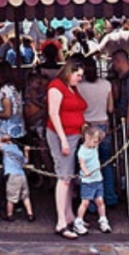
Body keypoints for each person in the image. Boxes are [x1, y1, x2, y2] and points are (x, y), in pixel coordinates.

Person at [47, 55, 88, 239]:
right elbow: (53, 114)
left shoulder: (72, 88)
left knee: (68, 177)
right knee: (63, 177)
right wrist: (63, 140)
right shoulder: (56, 86)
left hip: (74, 134)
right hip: (61, 134)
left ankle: (69, 214)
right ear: (70, 72)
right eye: (78, 75)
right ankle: (61, 221)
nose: (80, 78)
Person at [76, 55, 116, 207]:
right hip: (103, 125)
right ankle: (110, 197)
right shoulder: (106, 84)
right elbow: (110, 108)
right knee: (105, 163)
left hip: (87, 126)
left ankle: (91, 202)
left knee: (88, 165)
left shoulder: (79, 86)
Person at [76, 125, 111, 233]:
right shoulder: (82, 151)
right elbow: (81, 164)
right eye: (95, 142)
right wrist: (85, 171)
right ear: (87, 137)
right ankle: (78, 221)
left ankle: (103, 219)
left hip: (97, 179)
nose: (96, 144)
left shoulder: (94, 146)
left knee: (100, 201)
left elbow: (101, 136)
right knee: (85, 202)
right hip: (87, 181)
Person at [0, 134, 34, 222]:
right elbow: (26, 162)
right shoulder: (18, 151)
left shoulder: (7, 148)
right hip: (21, 174)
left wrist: (2, 138)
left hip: (12, 175)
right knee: (25, 196)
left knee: (11, 197)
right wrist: (26, 151)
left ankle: (9, 215)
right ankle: (30, 214)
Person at [0, 62, 25, 139]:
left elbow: (7, 113)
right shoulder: (15, 88)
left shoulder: (4, 92)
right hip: (18, 127)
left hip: (7, 131)